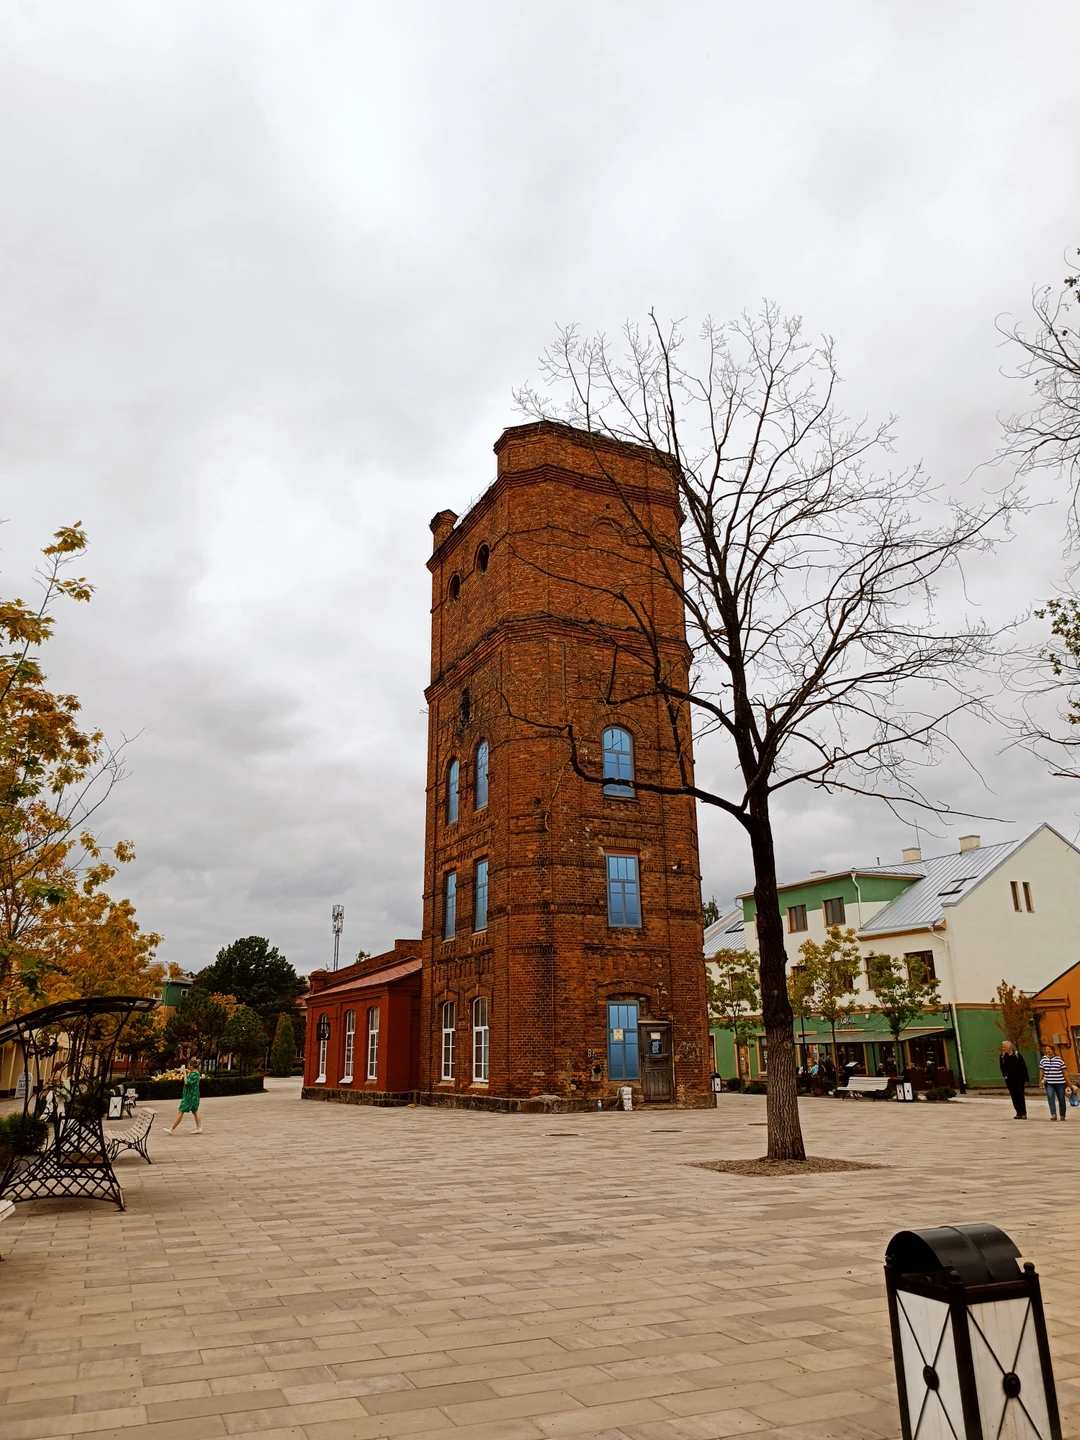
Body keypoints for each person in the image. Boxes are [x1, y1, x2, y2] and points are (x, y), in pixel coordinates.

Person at [167, 1059, 204, 1134]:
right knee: (195, 1111)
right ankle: (199, 1128)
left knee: (181, 1111)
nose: (188, 1066)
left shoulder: (195, 1074)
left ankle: (172, 1129)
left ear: (192, 1066)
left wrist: (185, 1075)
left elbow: (187, 1082)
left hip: (190, 1096)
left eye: (189, 1065)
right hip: (193, 1095)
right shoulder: (195, 1073)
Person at [999, 1041, 1029, 1119]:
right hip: (1009, 1079)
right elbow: (1002, 1067)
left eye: (1004, 1047)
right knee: (1013, 1096)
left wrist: (1025, 1079)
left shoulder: (1017, 1055)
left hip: (1019, 1079)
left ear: (1010, 1047)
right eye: (1003, 1047)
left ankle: (1023, 1113)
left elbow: (1023, 1067)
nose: (1003, 1049)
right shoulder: (1002, 1057)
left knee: (1020, 1095)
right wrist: (1005, 1076)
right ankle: (1018, 1112)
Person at [1039, 1046, 1068, 1121]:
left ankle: (1062, 1115)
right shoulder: (1043, 1060)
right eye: (1046, 1049)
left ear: (1053, 1050)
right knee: (1050, 1097)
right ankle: (1053, 1114)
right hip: (1049, 1082)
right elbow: (1041, 1071)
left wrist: (1068, 1083)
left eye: (1049, 1049)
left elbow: (1064, 1072)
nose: (1048, 1051)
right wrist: (1040, 1080)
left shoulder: (1059, 1060)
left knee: (1061, 1098)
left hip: (1060, 1082)